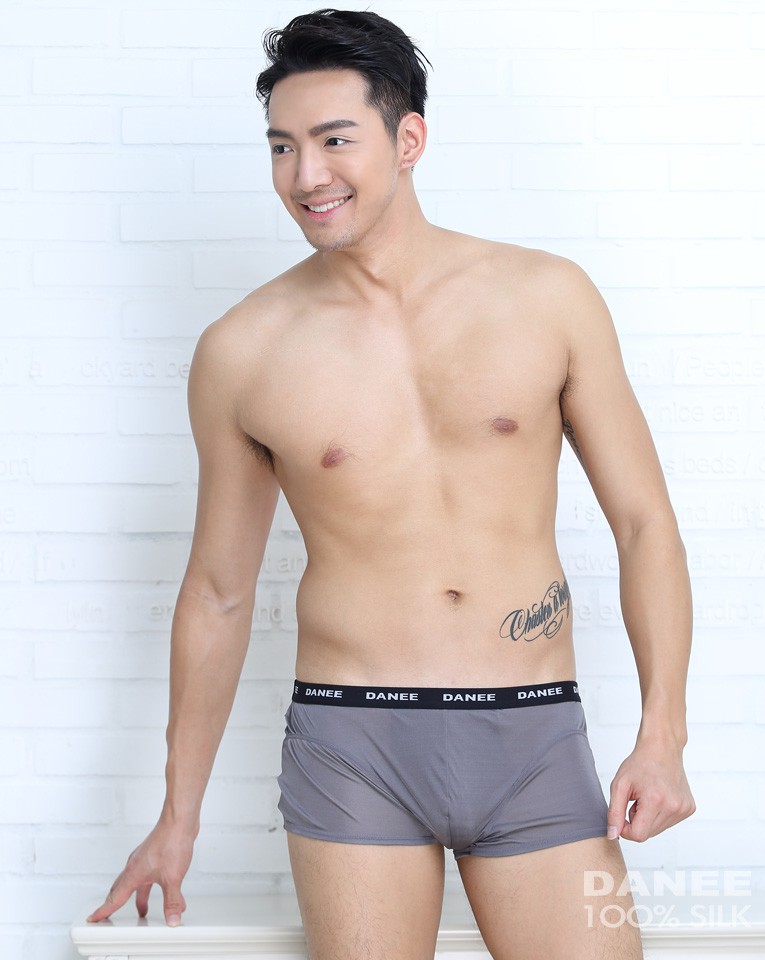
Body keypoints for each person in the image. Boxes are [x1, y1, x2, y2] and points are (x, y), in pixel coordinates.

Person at [87, 8, 695, 959]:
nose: (306, 176)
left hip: (531, 731)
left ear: (408, 139)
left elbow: (645, 523)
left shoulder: (547, 298)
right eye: (282, 147)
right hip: (352, 744)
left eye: (335, 140)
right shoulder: (244, 351)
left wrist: (664, 735)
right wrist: (177, 816)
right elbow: (217, 592)